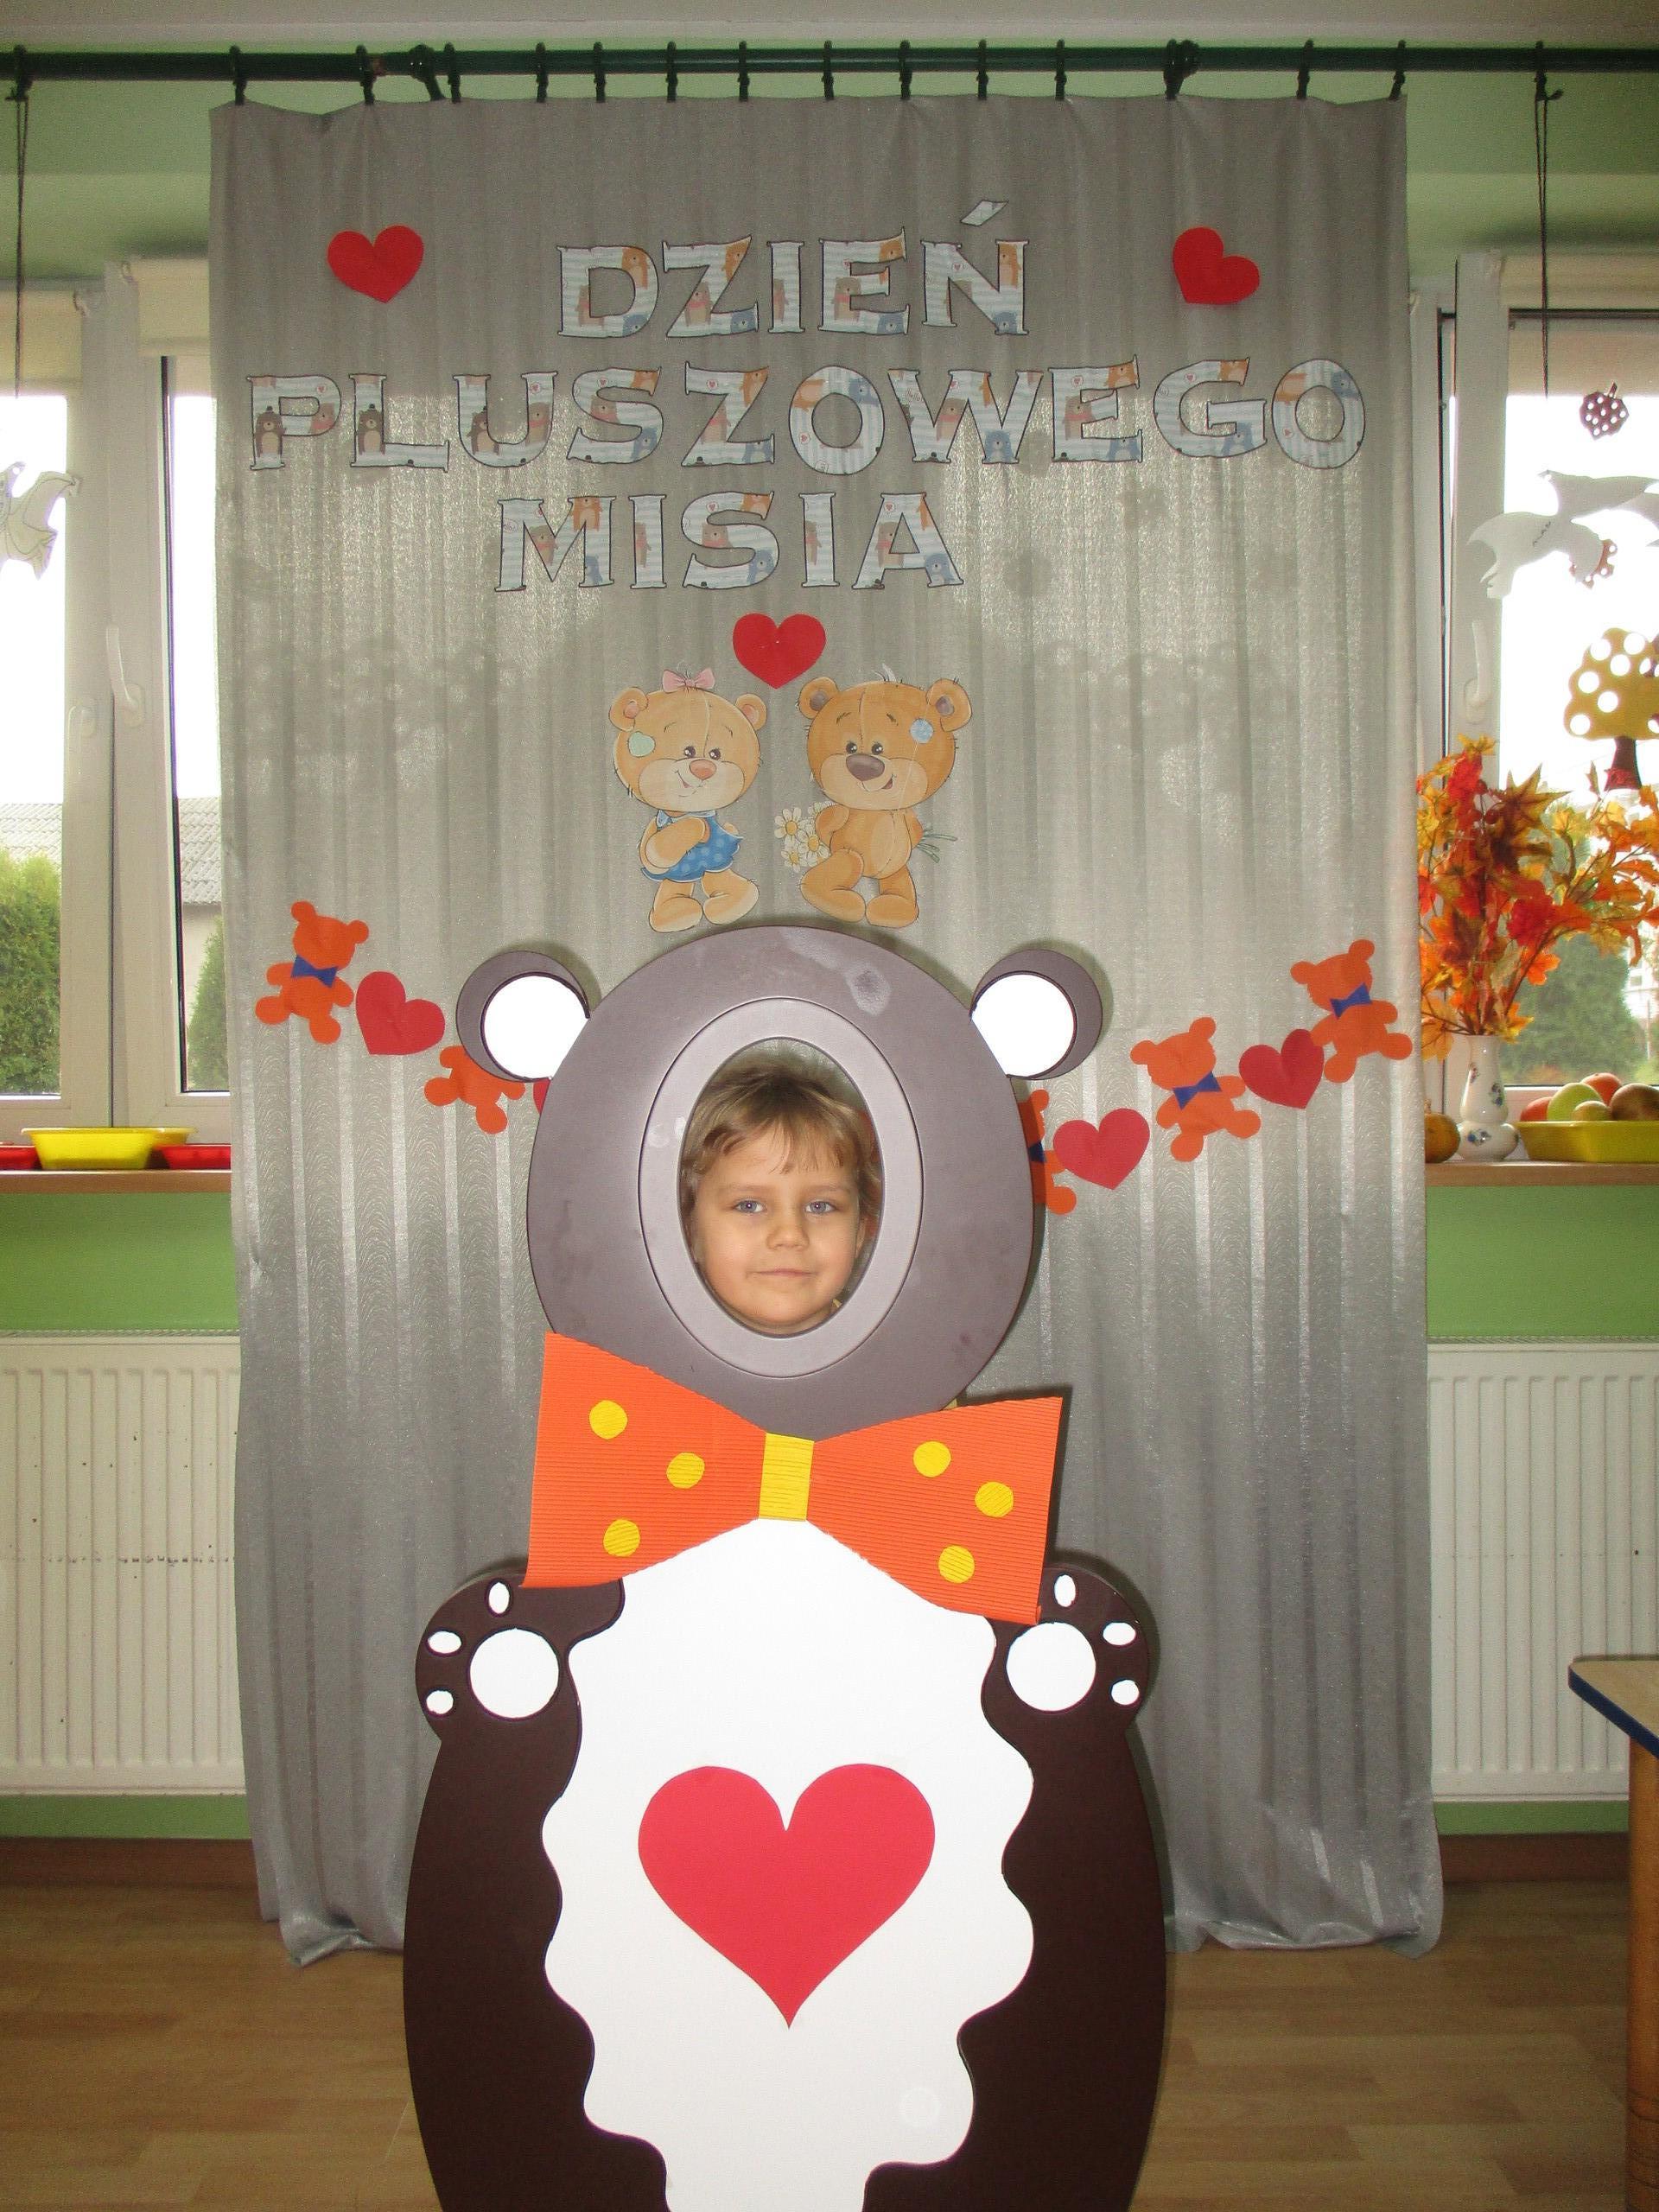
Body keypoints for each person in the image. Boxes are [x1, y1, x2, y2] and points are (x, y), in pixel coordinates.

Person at [679, 1053, 881, 1336]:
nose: (790, 1235)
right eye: (749, 1205)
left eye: (820, 1206)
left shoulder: (898, 1357)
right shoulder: (644, 1358)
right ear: (688, 1231)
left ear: (859, 1233)